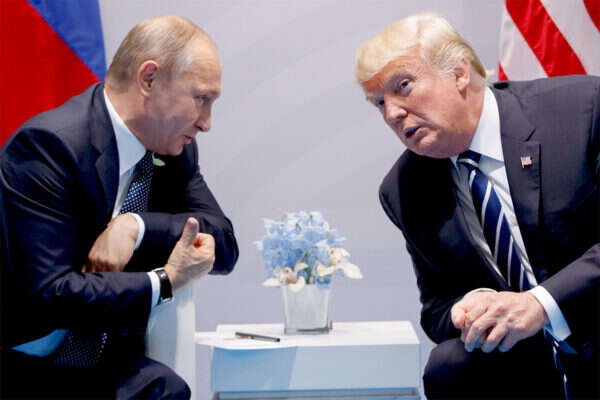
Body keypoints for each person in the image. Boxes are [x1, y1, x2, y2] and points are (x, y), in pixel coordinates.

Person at [356, 12, 599, 399]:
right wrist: (466, 307)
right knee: (449, 364)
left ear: (458, 73)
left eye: (403, 86)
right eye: (379, 103)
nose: (392, 113)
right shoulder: (405, 188)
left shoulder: (580, 111)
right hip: (527, 361)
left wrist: (539, 303)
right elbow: (436, 309)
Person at [0, 15, 239, 399]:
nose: (206, 123)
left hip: (103, 359)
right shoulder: (49, 147)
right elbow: (51, 296)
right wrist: (164, 281)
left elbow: (223, 244)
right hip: (24, 364)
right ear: (149, 79)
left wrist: (137, 226)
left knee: (167, 389)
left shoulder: (174, 150)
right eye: (201, 99)